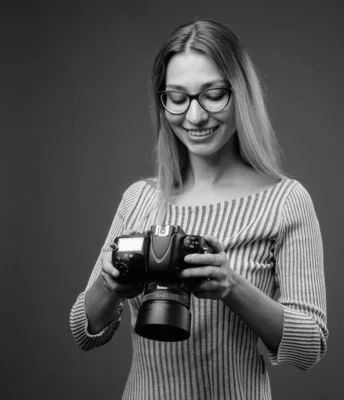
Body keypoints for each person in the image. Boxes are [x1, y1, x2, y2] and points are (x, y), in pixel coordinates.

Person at [69, 20, 328, 400]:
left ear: (241, 93)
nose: (195, 117)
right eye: (178, 98)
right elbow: (83, 330)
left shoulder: (285, 201)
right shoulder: (138, 199)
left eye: (213, 94)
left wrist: (231, 287)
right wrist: (111, 286)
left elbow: (310, 347)